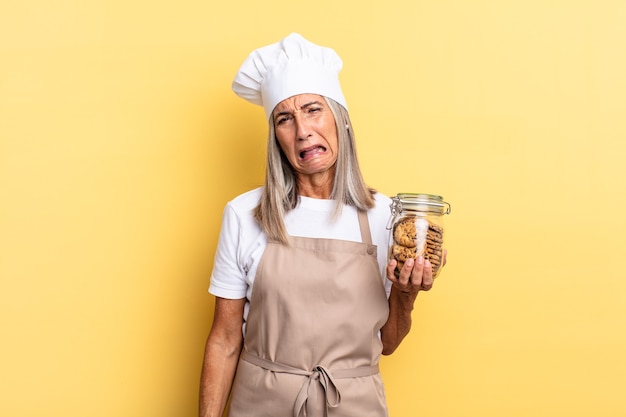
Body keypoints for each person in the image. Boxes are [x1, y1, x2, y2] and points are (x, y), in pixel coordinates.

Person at [199, 33, 446, 417]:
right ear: (276, 138)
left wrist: (406, 294)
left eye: (313, 110)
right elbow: (225, 340)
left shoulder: (388, 217)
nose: (302, 130)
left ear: (340, 120)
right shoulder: (244, 214)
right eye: (285, 118)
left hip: (354, 406)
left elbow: (389, 342)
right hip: (261, 405)